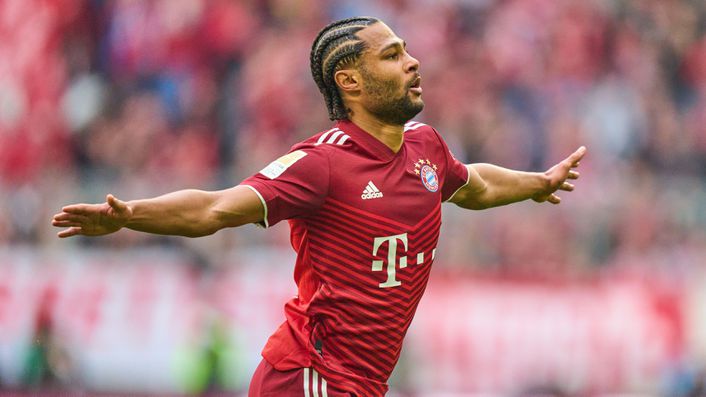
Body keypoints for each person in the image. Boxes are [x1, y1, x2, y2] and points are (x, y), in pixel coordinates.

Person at [52, 16, 586, 397]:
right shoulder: (321, 164)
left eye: (406, 49)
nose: (413, 61)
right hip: (310, 376)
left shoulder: (427, 147)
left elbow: (476, 186)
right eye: (392, 55)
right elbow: (216, 209)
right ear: (349, 81)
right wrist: (129, 216)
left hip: (362, 384)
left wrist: (536, 183)